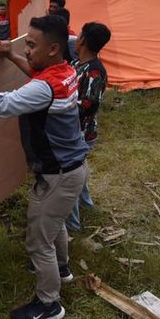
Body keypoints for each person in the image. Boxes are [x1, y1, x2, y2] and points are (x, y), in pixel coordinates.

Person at [0, 15, 88, 319]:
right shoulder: (65, 71)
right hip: (72, 170)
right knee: (54, 223)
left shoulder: (45, 86)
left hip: (58, 175)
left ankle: (49, 304)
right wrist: (10, 54)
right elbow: (36, 74)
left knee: (38, 240)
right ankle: (62, 268)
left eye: (31, 45)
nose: (26, 49)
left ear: (54, 48)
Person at [64, 22, 111, 234]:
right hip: (78, 131)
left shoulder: (94, 72)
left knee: (68, 179)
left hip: (81, 133)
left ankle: (72, 224)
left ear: (82, 40)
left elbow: (89, 105)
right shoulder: (78, 63)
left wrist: (57, 106)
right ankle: (87, 204)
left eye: (80, 34)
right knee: (79, 169)